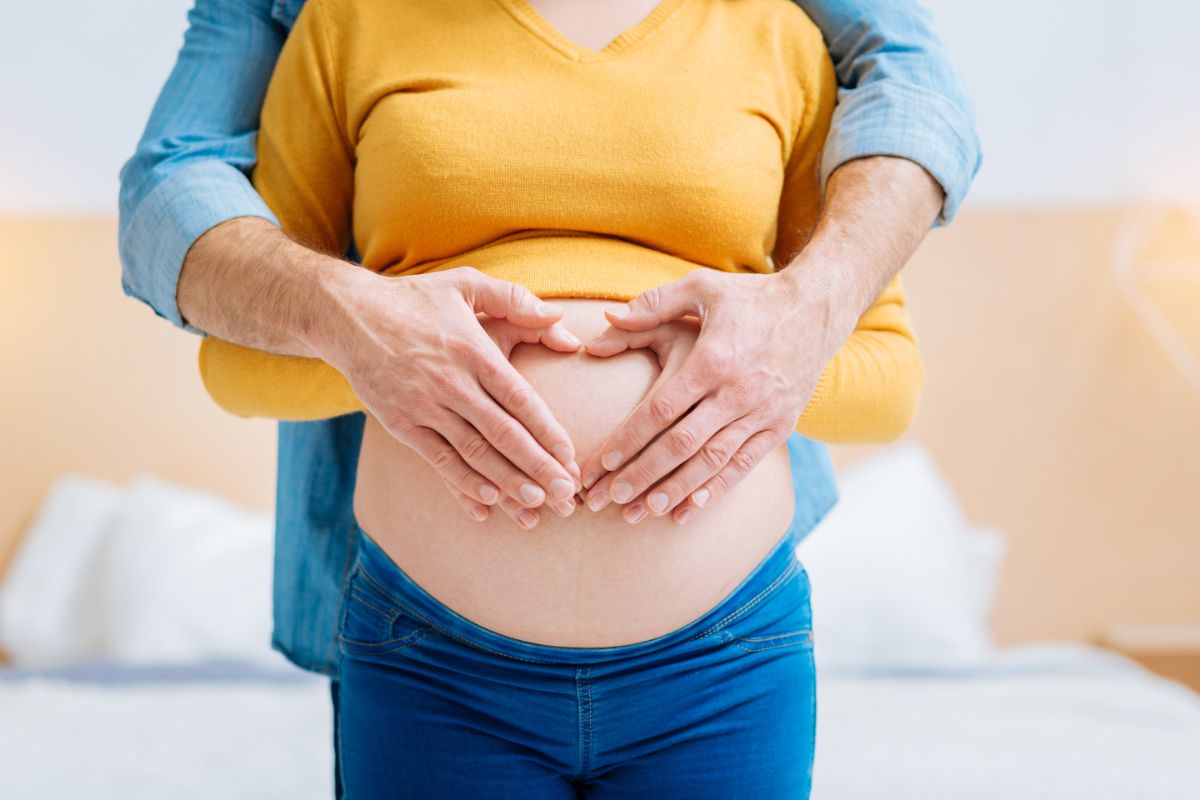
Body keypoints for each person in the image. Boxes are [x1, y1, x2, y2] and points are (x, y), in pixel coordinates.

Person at [118, 0, 980, 796]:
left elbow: (886, 373)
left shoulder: (778, 34)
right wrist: (368, 343)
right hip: (430, 660)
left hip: (724, 664)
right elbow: (238, 350)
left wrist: (751, 365)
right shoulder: (346, 21)